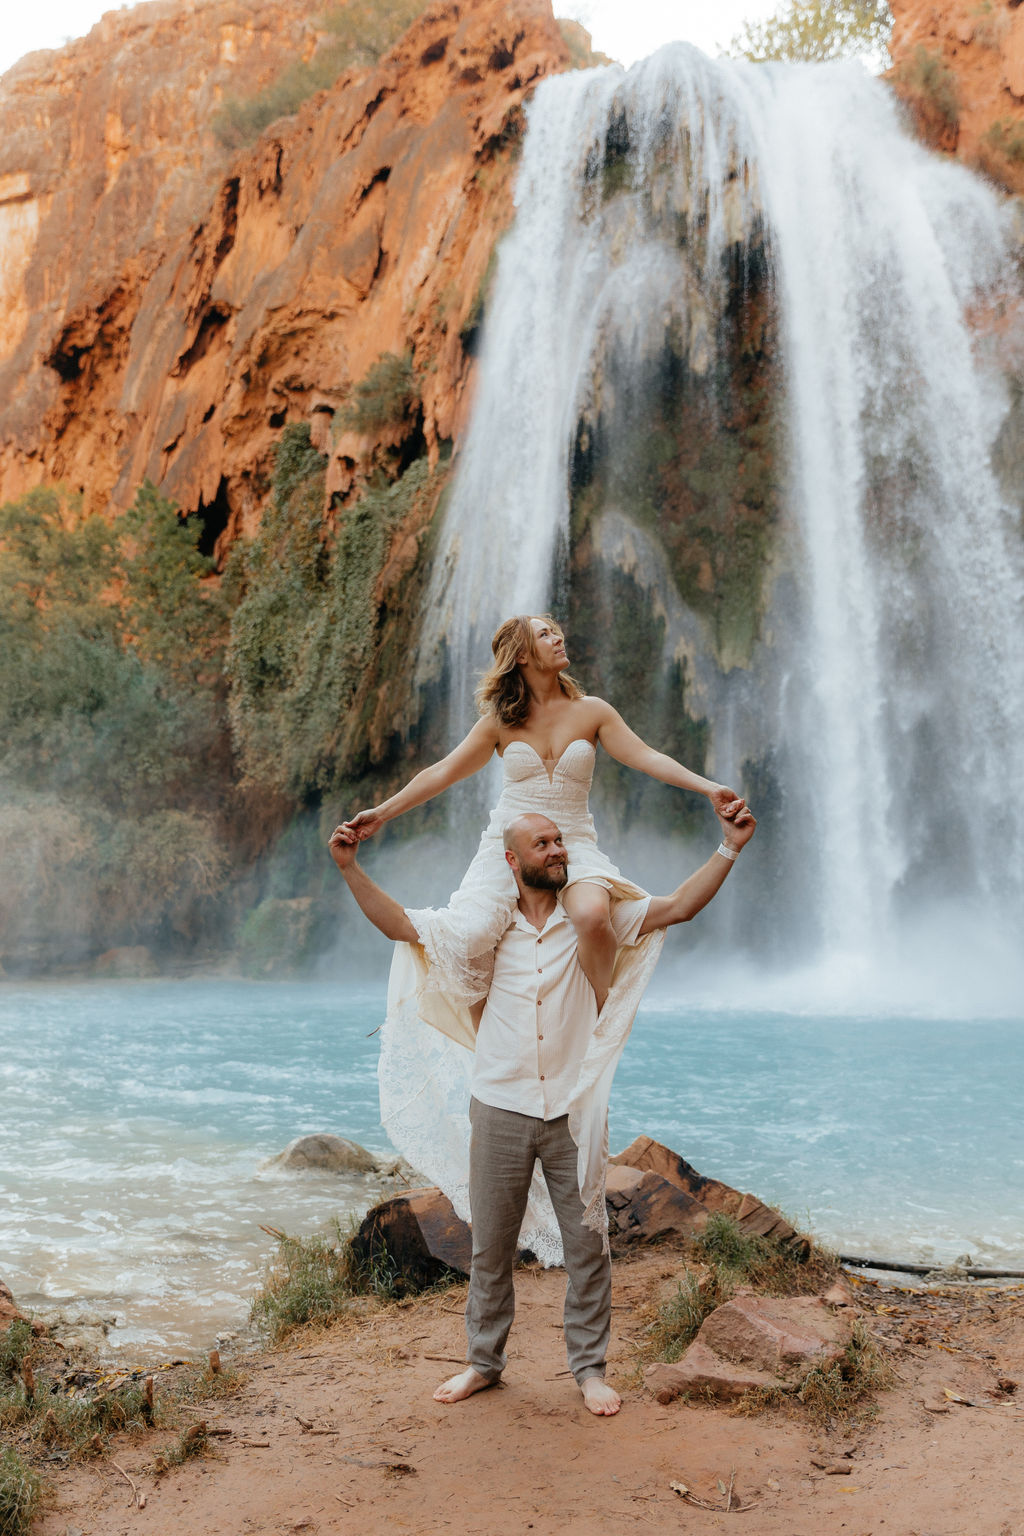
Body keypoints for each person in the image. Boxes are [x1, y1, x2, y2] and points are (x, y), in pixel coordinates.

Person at [328, 797, 756, 1415]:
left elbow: (679, 906)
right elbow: (400, 924)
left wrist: (729, 846)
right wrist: (349, 868)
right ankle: (483, 1364)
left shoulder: (593, 920)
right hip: (499, 1106)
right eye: (544, 844)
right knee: (490, 1247)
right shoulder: (483, 929)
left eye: (560, 841)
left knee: (588, 1245)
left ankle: (590, 1370)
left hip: (572, 1111)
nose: (558, 850)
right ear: (511, 860)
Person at [343, 614, 744, 1012]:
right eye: (545, 634)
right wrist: (382, 813)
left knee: (592, 915)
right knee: (471, 937)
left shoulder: (593, 711)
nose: (557, 638)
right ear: (520, 655)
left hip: (571, 841)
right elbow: (442, 772)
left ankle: (598, 1014)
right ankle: (484, 1036)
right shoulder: (499, 722)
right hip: (508, 841)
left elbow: (646, 757)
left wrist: (708, 788)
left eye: (556, 632)